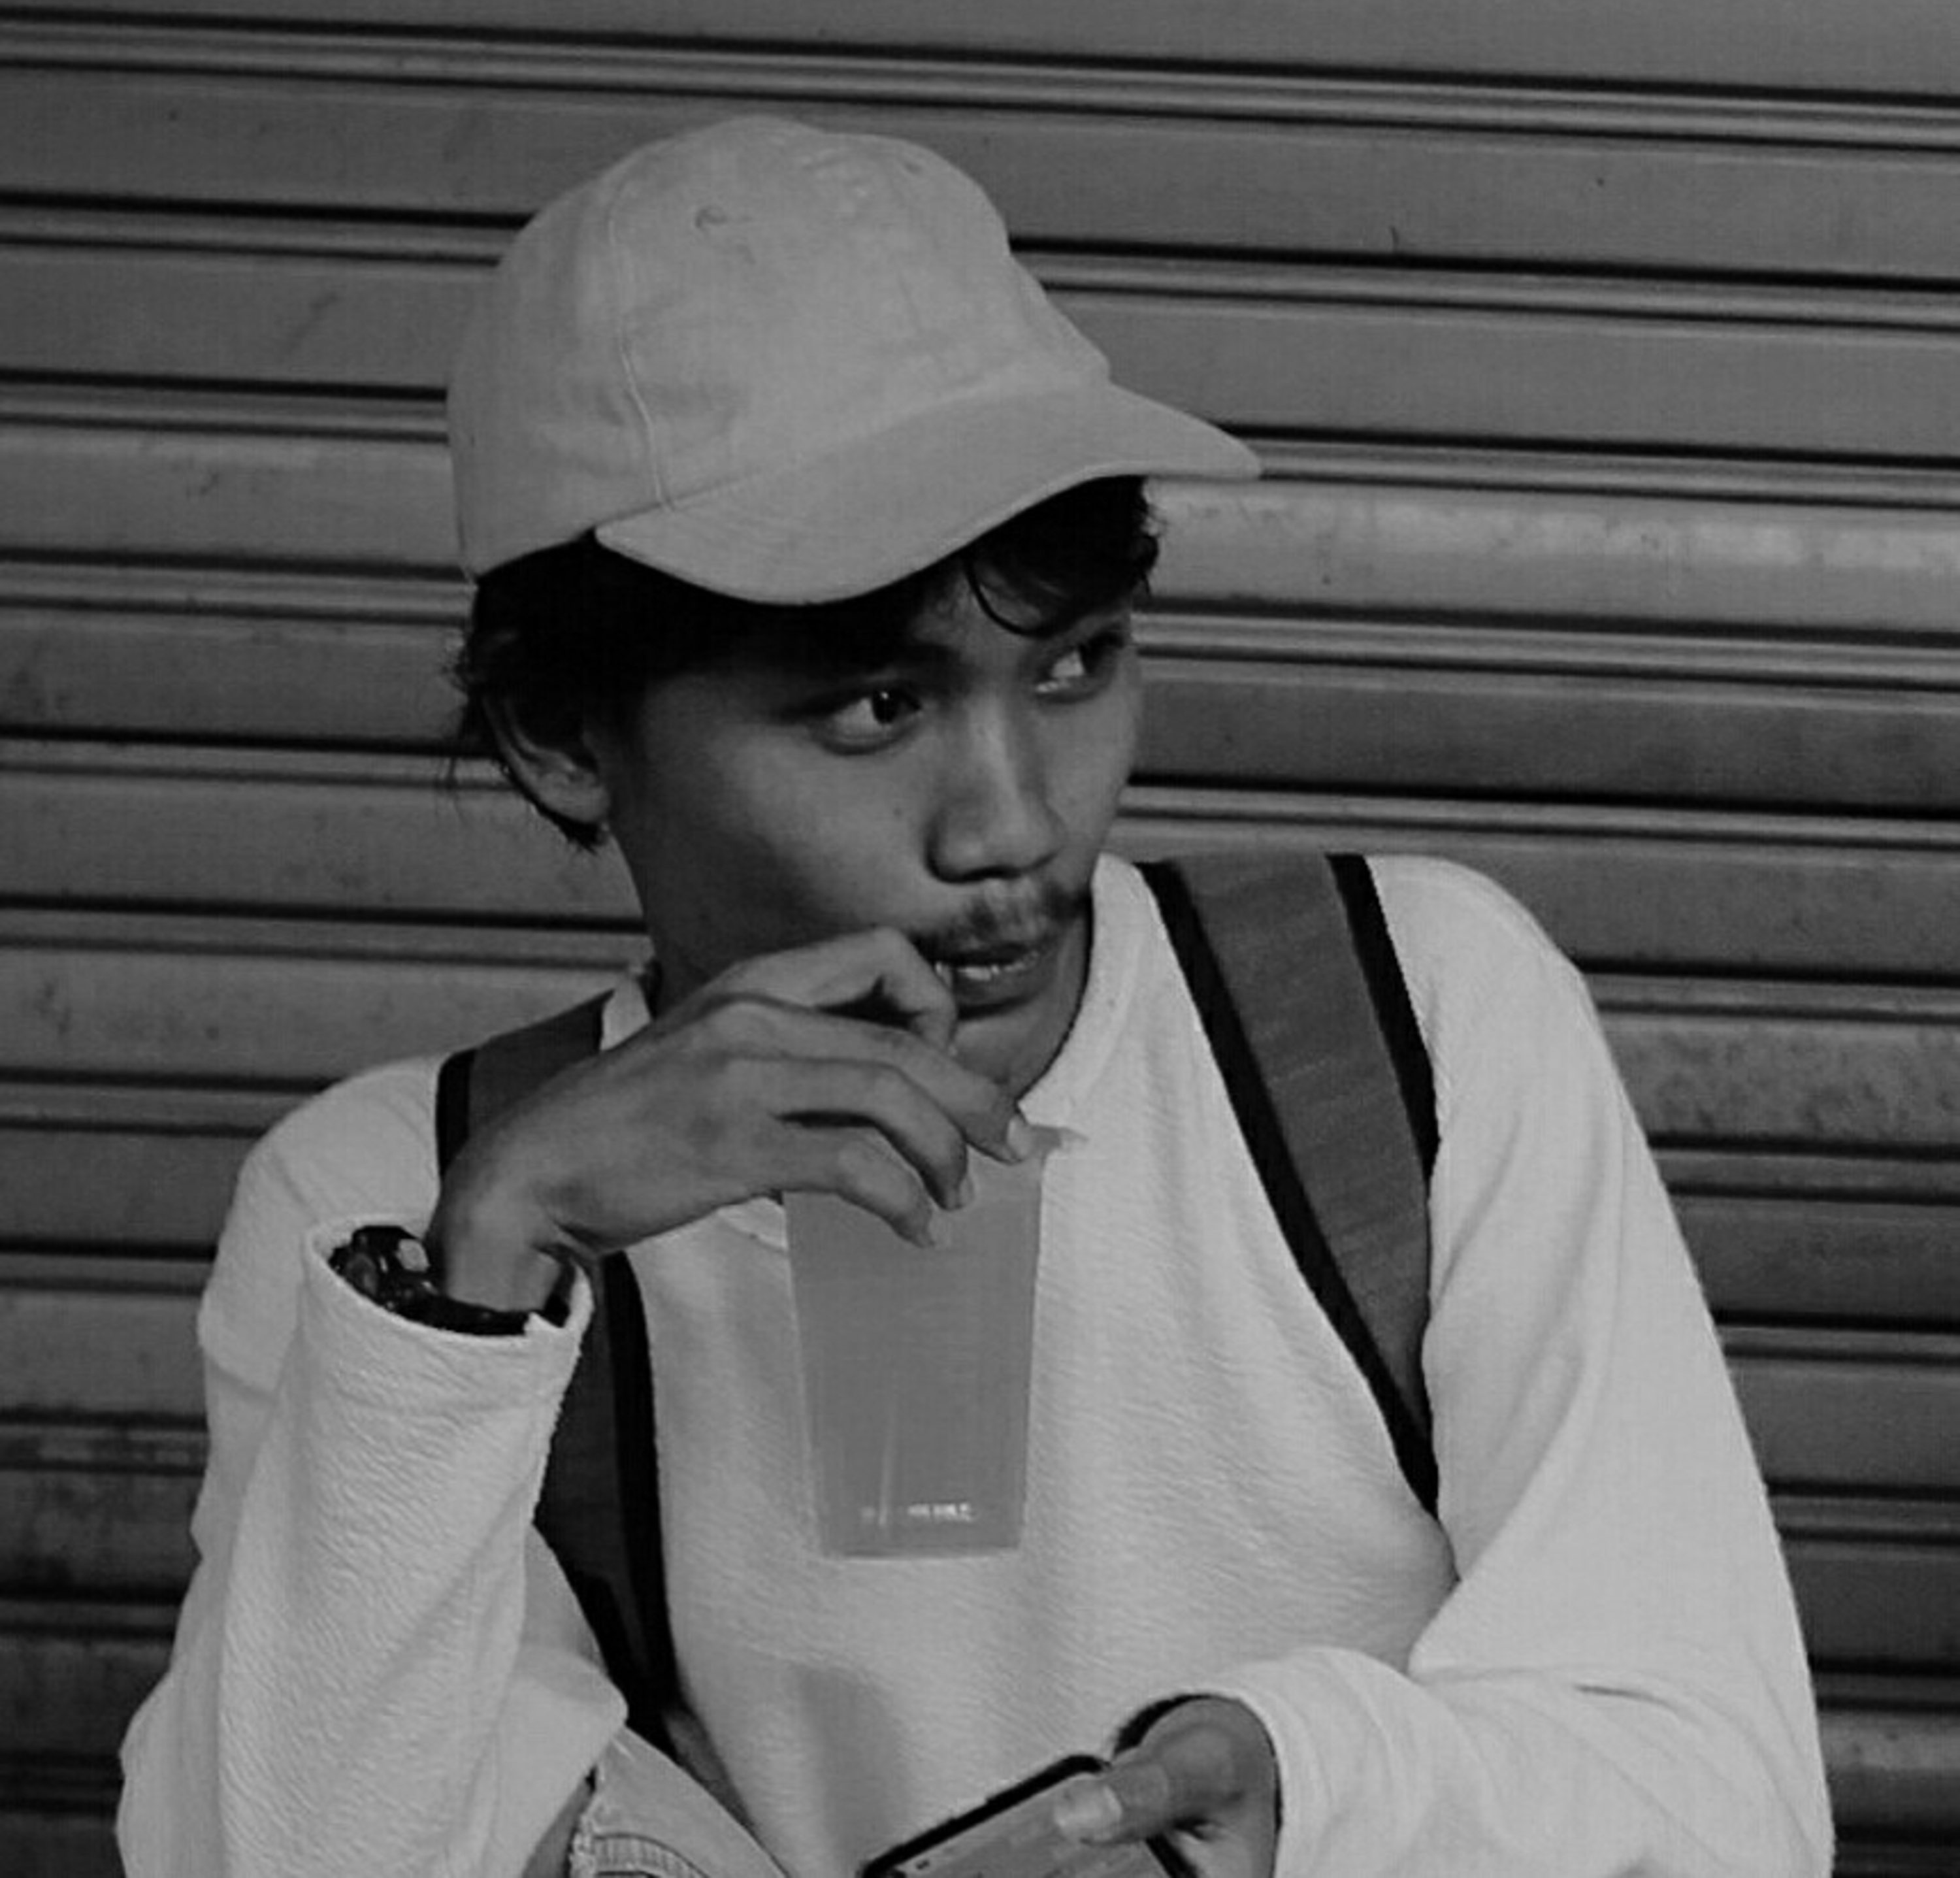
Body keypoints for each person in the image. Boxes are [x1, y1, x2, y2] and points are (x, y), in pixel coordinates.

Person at [117, 116, 1832, 1878]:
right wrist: (483, 1283)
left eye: (1074, 663)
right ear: (563, 735)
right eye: (878, 706)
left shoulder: (1406, 1026)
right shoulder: (392, 1206)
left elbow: (1725, 1807)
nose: (1016, 826)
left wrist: (1304, 1791)